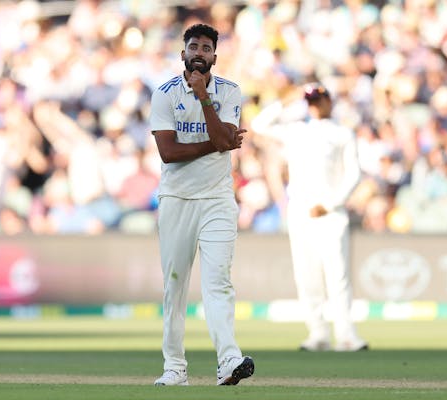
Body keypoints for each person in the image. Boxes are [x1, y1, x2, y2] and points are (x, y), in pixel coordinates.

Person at [149, 23, 255, 386]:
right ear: (183, 53)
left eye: (206, 47)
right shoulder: (163, 94)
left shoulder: (229, 91)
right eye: (193, 46)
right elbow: (169, 153)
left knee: (218, 282)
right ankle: (174, 367)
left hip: (217, 200)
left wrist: (204, 97)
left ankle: (229, 360)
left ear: (214, 56)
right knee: (175, 287)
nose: (199, 52)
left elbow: (225, 136)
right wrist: (218, 143)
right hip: (177, 199)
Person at [251, 82, 368, 352]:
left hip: (331, 213)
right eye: (310, 101)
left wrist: (330, 203)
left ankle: (347, 334)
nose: (314, 105)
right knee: (307, 275)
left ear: (329, 101)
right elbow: (259, 124)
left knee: (337, 275)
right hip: (301, 211)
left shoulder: (342, 133)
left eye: (319, 99)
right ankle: (318, 334)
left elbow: (353, 174)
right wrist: (286, 100)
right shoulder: (297, 131)